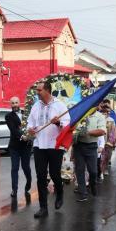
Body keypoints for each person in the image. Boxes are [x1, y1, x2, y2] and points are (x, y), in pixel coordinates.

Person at [26, 81, 70, 218]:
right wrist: (30, 129)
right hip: (39, 144)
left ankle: (60, 193)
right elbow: (30, 122)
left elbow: (67, 124)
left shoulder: (59, 105)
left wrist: (58, 122)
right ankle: (43, 208)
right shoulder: (36, 106)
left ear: (47, 90)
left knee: (55, 174)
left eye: (39, 90)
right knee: (40, 176)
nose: (37, 93)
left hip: (54, 145)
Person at [72, 105, 106, 201]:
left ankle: (93, 183)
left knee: (93, 171)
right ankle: (83, 193)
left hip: (91, 146)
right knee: (80, 170)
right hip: (78, 145)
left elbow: (102, 131)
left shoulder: (100, 116)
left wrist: (87, 132)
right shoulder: (81, 113)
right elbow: (72, 127)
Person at [5, 96, 32, 200]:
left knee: (26, 167)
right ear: (10, 104)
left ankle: (28, 184)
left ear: (19, 103)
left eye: (16, 102)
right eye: (13, 103)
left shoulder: (27, 114)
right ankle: (14, 190)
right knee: (14, 168)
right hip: (14, 147)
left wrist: (29, 136)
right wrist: (22, 136)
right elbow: (13, 129)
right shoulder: (8, 116)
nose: (15, 105)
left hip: (26, 146)